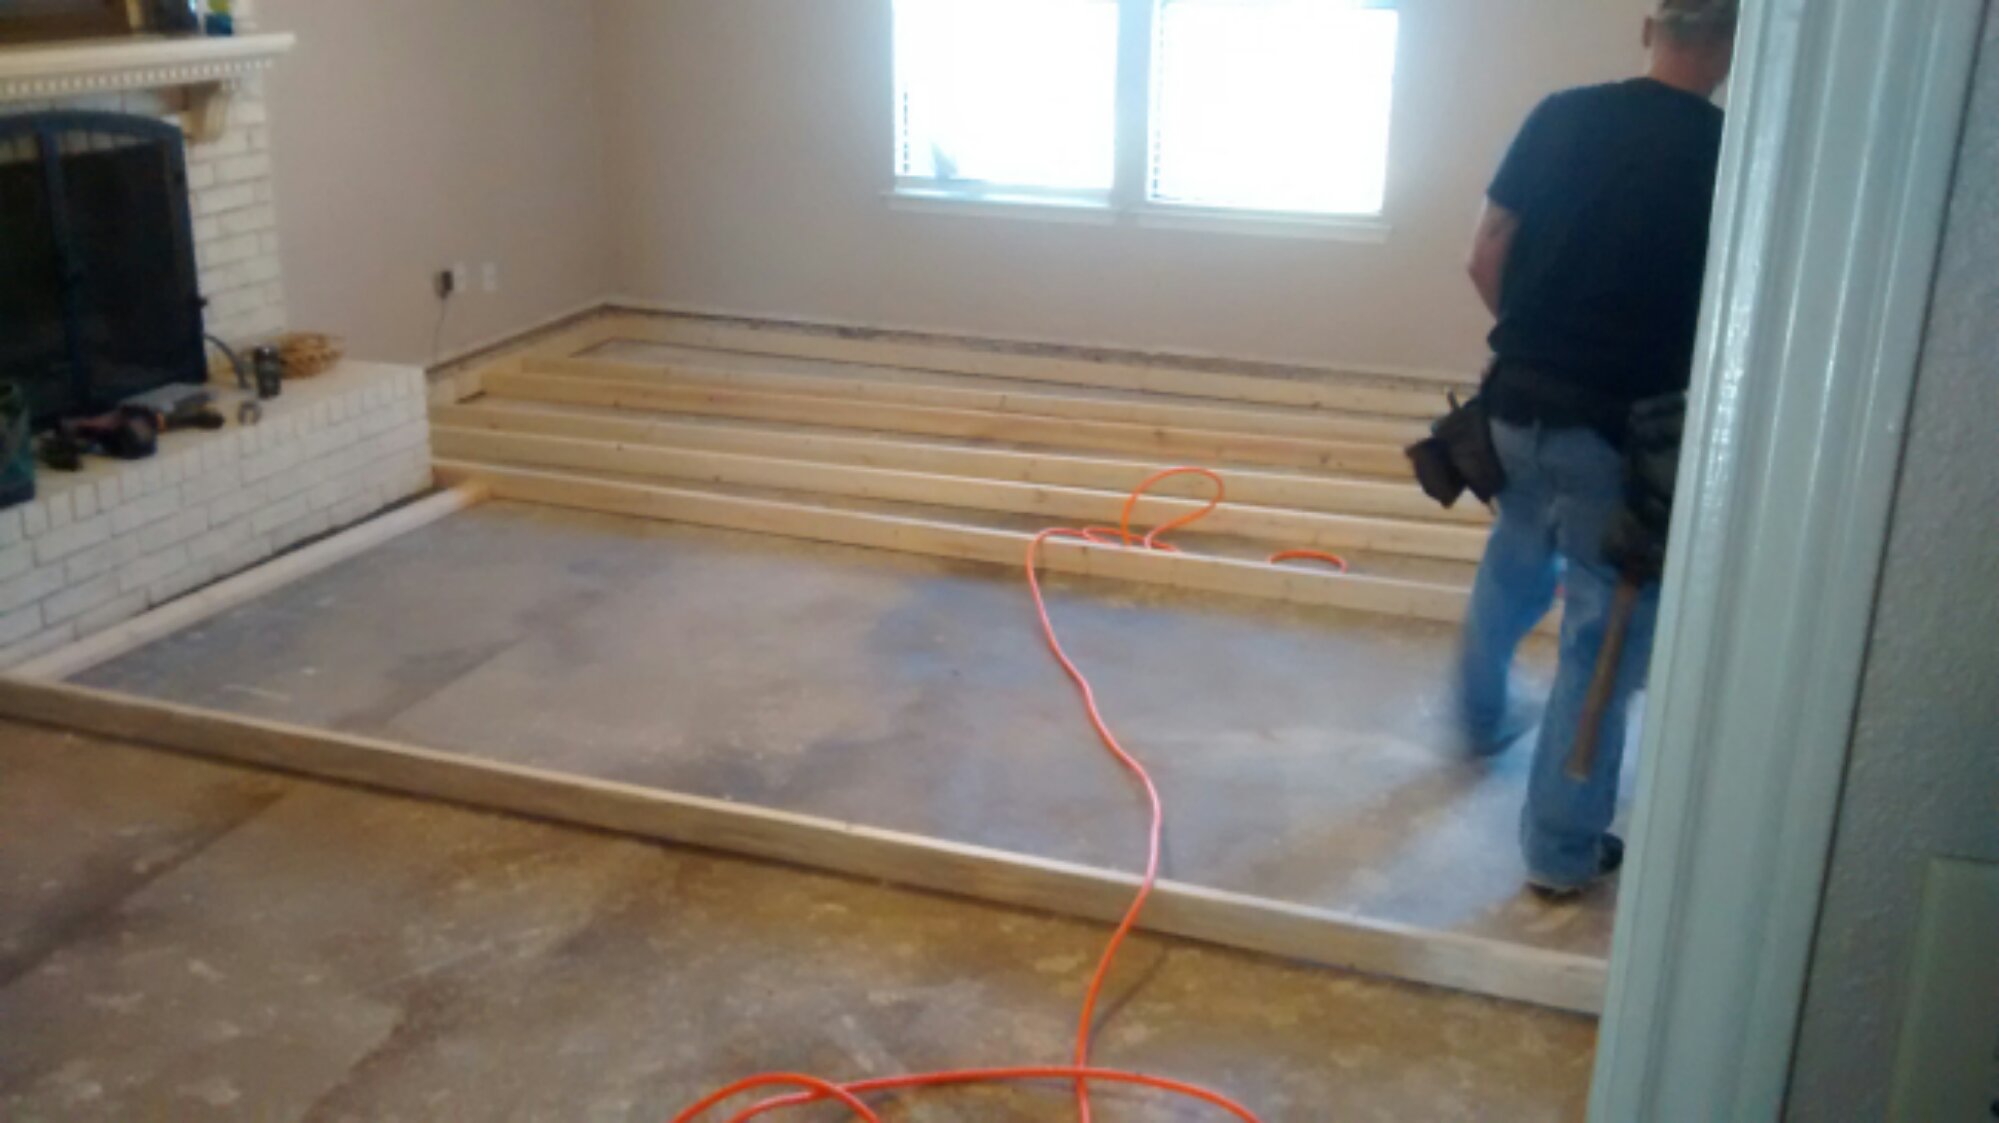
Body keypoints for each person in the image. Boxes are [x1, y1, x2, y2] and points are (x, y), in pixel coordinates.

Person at [1457, 0, 1738, 897]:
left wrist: (1536, 347)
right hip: (1618, 435)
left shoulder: (1561, 113)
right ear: (1732, 45)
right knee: (1600, 636)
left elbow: (1484, 254)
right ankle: (1559, 850)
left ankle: (1473, 720)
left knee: (1514, 554)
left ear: (1650, 28)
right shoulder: (1730, 153)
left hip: (1513, 405)